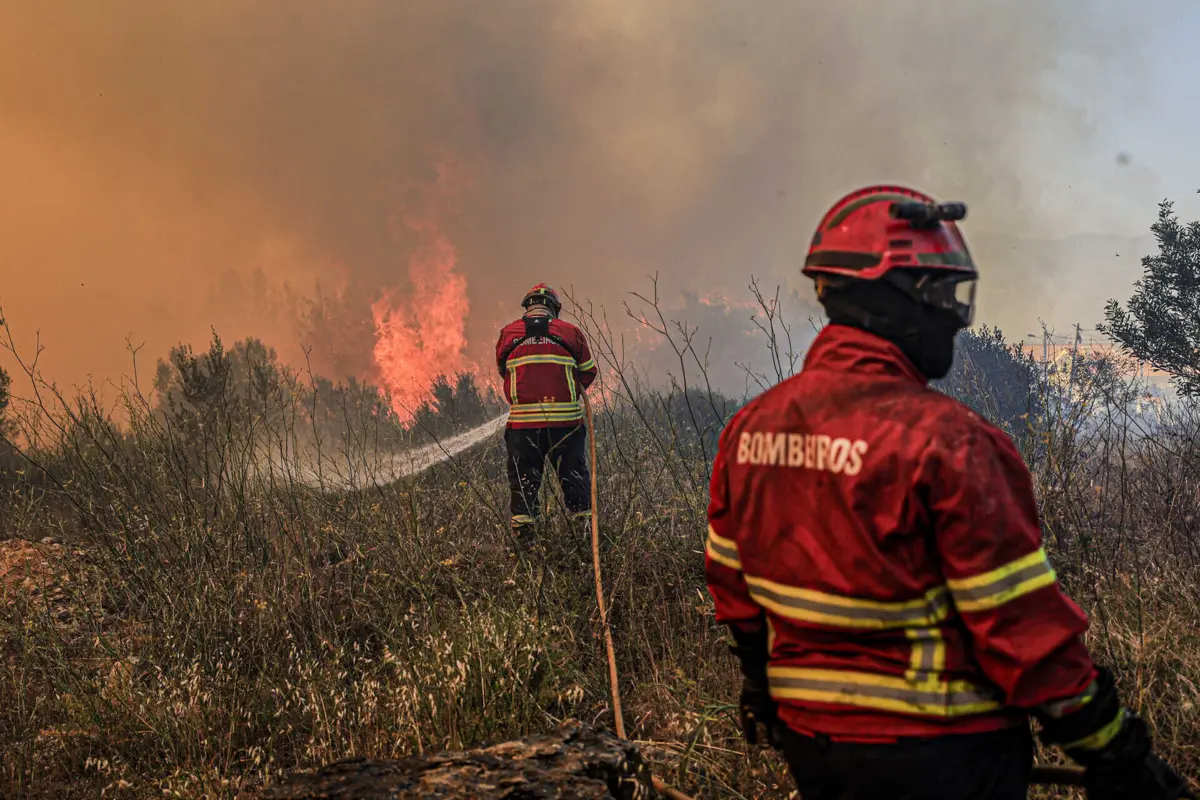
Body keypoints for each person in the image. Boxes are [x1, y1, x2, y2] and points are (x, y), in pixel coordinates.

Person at [704, 185, 1194, 799]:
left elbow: (731, 582)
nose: (955, 317)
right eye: (943, 295)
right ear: (891, 302)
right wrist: (1117, 751)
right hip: (943, 753)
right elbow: (1022, 629)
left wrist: (758, 684)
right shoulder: (952, 444)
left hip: (812, 745)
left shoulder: (750, 429)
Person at [496, 283, 599, 549]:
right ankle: (585, 538)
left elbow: (503, 371)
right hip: (566, 425)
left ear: (528, 307)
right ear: (554, 309)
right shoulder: (571, 332)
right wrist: (566, 389)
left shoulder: (508, 334)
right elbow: (588, 371)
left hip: (522, 428)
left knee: (523, 482)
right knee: (574, 476)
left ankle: (525, 544)